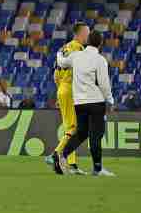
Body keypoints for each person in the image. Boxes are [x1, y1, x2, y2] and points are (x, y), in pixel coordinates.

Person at [52, 30, 115, 177]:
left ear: (87, 41)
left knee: (81, 133)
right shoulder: (100, 60)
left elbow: (61, 62)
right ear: (100, 43)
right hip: (96, 102)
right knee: (96, 135)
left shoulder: (76, 56)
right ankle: (97, 169)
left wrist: (59, 52)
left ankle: (61, 155)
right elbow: (104, 85)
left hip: (79, 102)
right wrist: (110, 100)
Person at [48, 23, 90, 173]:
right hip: (72, 90)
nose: (88, 36)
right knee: (74, 128)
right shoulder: (78, 49)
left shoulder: (64, 48)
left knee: (70, 127)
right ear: (80, 34)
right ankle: (57, 153)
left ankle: (71, 164)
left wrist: (60, 90)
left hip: (63, 88)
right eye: (86, 33)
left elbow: (55, 74)